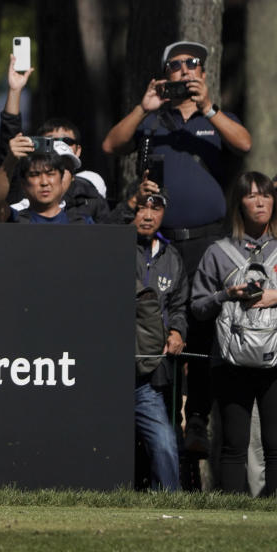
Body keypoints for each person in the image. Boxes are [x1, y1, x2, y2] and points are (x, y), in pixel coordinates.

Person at [103, 40, 252, 459]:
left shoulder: (216, 117)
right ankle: (154, 416)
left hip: (206, 242)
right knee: (156, 325)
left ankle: (198, 420)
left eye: (193, 65)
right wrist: (143, 107)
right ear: (164, 74)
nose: (185, 71)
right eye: (176, 66)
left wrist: (208, 109)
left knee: (203, 330)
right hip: (159, 242)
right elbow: (111, 146)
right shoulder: (154, 121)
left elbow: (243, 144)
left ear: (203, 73)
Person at [191, 172, 277, 494]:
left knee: (275, 442)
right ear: (238, 203)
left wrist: (273, 296)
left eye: (266, 195)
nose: (260, 202)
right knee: (233, 442)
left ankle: (272, 509)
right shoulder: (219, 252)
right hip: (229, 360)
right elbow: (197, 307)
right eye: (251, 195)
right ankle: (231, 506)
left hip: (275, 359)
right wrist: (227, 295)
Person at [0, 54, 109, 221]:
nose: (45, 180)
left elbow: (110, 237)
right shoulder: (20, 199)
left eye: (59, 168)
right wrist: (15, 91)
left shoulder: (90, 195)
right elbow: (9, 141)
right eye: (37, 173)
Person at [133, 191, 187, 491]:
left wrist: (178, 331)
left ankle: (169, 502)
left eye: (156, 209)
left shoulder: (172, 256)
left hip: (153, 372)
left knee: (166, 443)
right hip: (112, 367)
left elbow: (179, 306)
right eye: (141, 207)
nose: (148, 215)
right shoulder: (113, 245)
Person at [0, 136, 90, 224]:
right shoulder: (14, 220)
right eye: (35, 175)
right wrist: (10, 161)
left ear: (61, 177)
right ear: (23, 183)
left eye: (50, 174)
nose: (44, 182)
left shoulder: (82, 223)